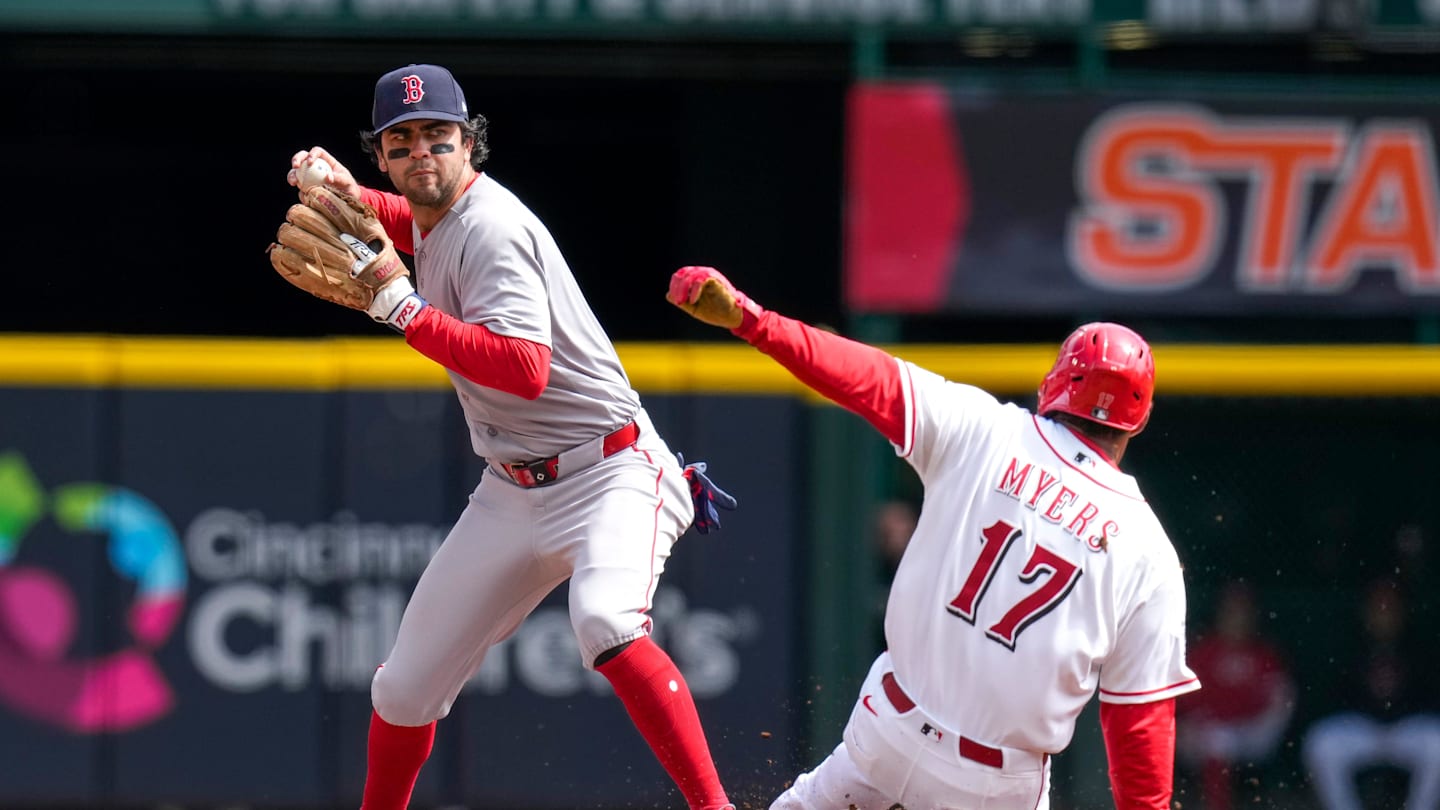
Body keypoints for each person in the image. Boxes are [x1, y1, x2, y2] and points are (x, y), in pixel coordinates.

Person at [282, 64, 737, 810]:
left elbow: (525, 370)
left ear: (471, 143)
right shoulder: (441, 214)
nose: (422, 153)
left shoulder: (494, 228)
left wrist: (402, 309)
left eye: (439, 136)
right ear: (384, 155)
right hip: (513, 489)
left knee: (605, 622)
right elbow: (414, 223)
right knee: (403, 687)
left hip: (610, 473)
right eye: (402, 143)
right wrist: (343, 195)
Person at [665, 266, 1201, 810]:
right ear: (1139, 420)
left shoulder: (985, 429)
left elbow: (861, 374)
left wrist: (753, 321)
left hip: (888, 732)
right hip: (997, 786)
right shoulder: (1148, 550)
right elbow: (1139, 731)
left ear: (1055, 384)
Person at [1301, 578, 1440, 810]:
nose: (1384, 613)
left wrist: (1399, 716)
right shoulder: (1349, 643)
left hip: (1405, 729)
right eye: (1378, 606)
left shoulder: (1420, 645)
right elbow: (1331, 696)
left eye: (1390, 606)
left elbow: (1431, 696)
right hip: (1362, 728)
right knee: (1320, 742)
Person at [1176, 581, 1295, 810]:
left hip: (1252, 732)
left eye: (1243, 612)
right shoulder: (1204, 651)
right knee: (1218, 739)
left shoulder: (1265, 654)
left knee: (1222, 739)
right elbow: (1185, 702)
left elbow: (1282, 702)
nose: (1237, 618)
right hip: (1204, 733)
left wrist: (1258, 726)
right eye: (1232, 611)